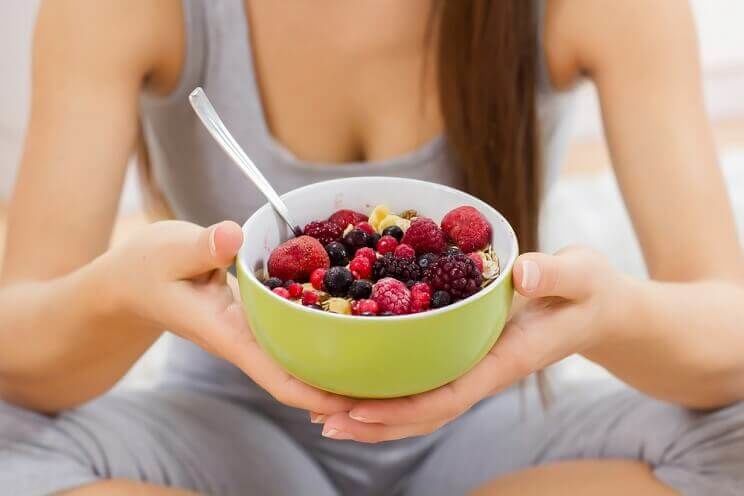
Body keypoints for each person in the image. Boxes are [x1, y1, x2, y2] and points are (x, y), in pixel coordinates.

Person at [1, 0, 743, 494]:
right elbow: (20, 349)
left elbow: (728, 327)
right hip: (233, 430)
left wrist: (610, 314)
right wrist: (121, 295)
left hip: (490, 425)